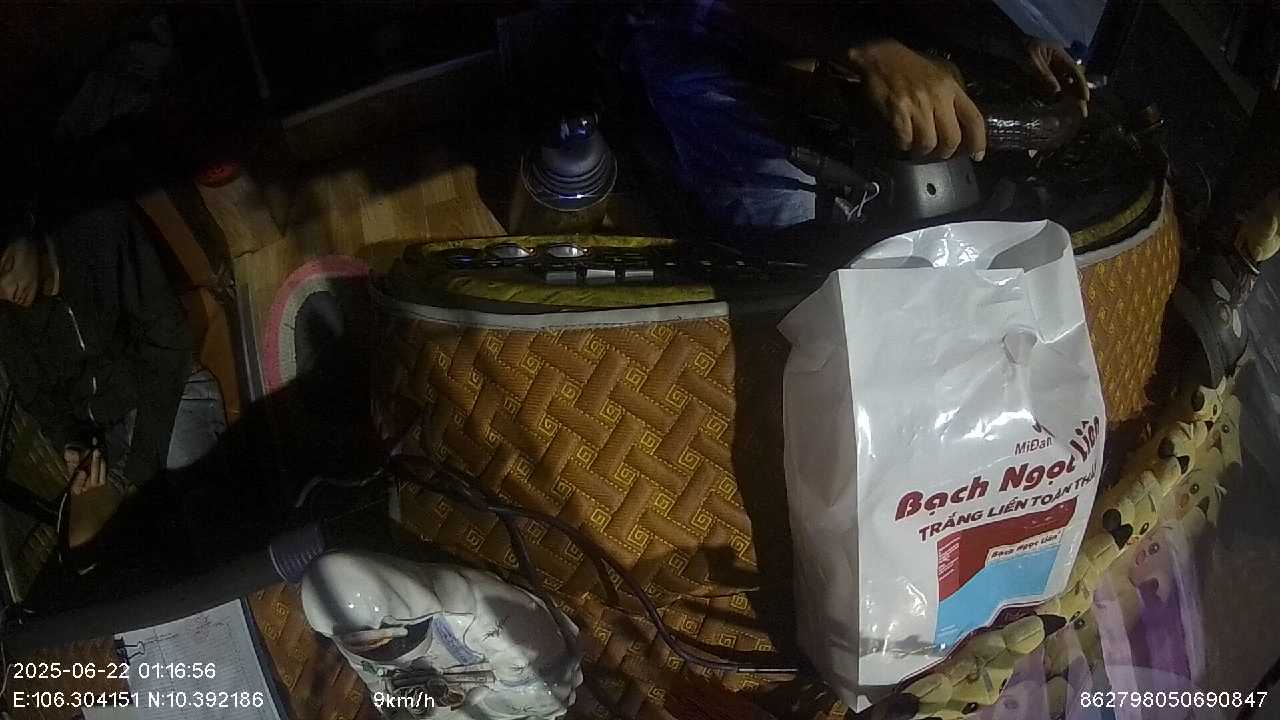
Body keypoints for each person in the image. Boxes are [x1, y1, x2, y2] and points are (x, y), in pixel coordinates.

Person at [618, 0, 1091, 234]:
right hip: (704, 32)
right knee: (793, 228)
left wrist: (1010, 47)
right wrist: (872, 53)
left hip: (835, 43)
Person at [0, 201, 225, 554]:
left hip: (167, 392)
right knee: (84, 545)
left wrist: (138, 472)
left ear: (27, 228)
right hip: (105, 434)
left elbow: (169, 346)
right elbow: (42, 402)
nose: (7, 290)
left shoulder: (99, 230)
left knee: (187, 525)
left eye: (7, 266)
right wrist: (71, 443)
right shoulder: (9, 321)